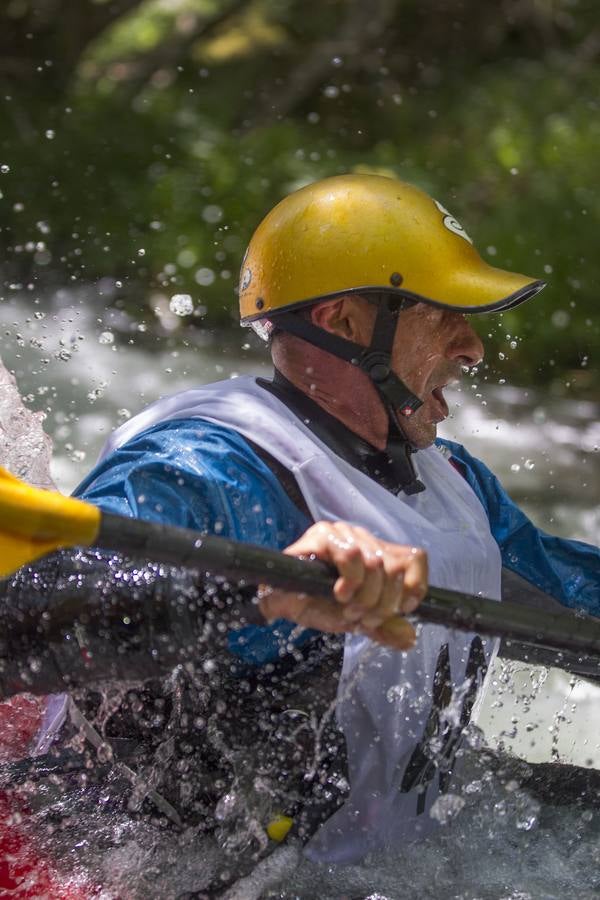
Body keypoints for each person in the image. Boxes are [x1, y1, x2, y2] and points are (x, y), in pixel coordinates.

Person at [4, 175, 599, 877]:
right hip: (148, 867)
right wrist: (258, 596)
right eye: (444, 315)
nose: (471, 346)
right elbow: (25, 619)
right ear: (344, 322)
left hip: (367, 856)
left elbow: (565, 597)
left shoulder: (453, 483)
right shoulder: (206, 467)